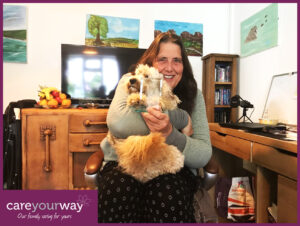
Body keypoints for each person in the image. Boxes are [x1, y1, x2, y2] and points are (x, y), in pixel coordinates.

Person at [98, 32, 212, 223]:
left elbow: (203, 154)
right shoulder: (131, 80)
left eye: (176, 60)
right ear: (150, 62)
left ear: (184, 65)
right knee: (117, 189)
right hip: (124, 162)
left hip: (173, 169)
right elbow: (119, 123)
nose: (169, 68)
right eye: (162, 60)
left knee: (167, 193)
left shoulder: (194, 95)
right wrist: (180, 119)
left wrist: (169, 134)